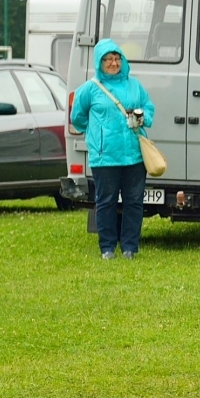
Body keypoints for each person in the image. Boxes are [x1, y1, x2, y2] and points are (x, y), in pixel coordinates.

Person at [70, 39, 155, 260]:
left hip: (134, 156)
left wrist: (142, 116)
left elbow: (149, 107)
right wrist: (95, 134)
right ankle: (107, 248)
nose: (114, 63)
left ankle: (130, 248)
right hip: (105, 156)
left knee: (134, 202)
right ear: (99, 62)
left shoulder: (134, 85)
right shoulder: (90, 89)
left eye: (117, 58)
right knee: (105, 202)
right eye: (108, 59)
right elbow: (77, 117)